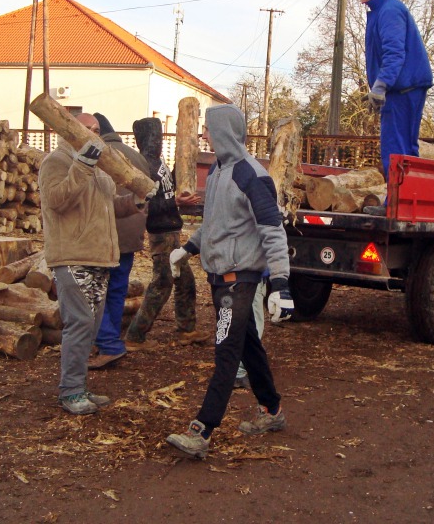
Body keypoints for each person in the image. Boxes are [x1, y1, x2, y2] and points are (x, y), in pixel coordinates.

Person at [165, 104, 294, 458]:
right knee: (248, 346)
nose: (203, 134)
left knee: (226, 351)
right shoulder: (221, 171)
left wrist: (281, 284)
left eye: (207, 128)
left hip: (240, 280)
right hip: (220, 276)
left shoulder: (252, 175)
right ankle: (272, 411)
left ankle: (202, 430)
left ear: (222, 132)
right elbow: (216, 223)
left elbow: (272, 230)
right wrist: (188, 248)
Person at [38, 112, 151, 415]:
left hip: (101, 256)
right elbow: (57, 199)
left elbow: (107, 206)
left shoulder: (98, 165)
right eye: (86, 128)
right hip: (73, 256)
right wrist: (83, 165)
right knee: (79, 325)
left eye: (97, 129)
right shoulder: (56, 161)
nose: (93, 134)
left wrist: (135, 201)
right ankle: (71, 392)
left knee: (90, 326)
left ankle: (79, 386)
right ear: (69, 129)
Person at [124, 116, 211, 352]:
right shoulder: (143, 166)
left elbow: (168, 188)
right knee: (162, 283)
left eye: (160, 136)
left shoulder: (158, 162)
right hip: (160, 234)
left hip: (171, 231)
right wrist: (176, 202)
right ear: (144, 139)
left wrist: (180, 170)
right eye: (154, 137)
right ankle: (135, 335)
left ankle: (187, 329)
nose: (158, 142)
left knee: (186, 282)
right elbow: (148, 205)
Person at [357, 0, 433, 211]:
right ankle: (406, 203)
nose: (362, 2)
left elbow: (394, 52)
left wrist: (381, 85)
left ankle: (396, 206)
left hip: (402, 90)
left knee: (395, 149)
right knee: (405, 150)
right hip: (404, 89)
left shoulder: (388, 11)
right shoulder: (387, 9)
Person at [87, 112, 149, 369]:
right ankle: (109, 341)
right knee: (117, 289)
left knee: (96, 289)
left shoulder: (97, 153)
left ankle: (108, 343)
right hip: (132, 230)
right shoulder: (134, 154)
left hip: (108, 231)